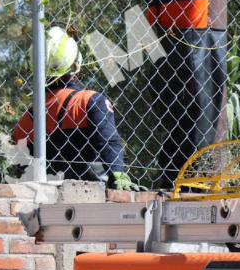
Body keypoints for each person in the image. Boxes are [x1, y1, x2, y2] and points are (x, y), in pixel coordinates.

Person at [141, 0, 240, 187]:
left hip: (163, 56)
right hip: (196, 58)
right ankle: (190, 178)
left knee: (173, 122)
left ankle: (168, 176)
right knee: (199, 118)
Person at [12, 27, 143, 190]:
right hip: (94, 193)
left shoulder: (25, 121)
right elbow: (108, 142)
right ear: (76, 65)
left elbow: (22, 169)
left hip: (45, 198)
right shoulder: (89, 101)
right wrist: (118, 175)